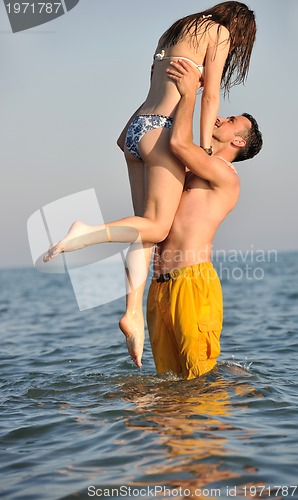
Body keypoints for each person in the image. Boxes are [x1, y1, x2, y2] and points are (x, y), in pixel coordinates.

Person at [43, 2, 257, 367]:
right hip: (160, 131)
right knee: (156, 226)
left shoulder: (175, 31)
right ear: (238, 28)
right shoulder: (218, 33)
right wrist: (204, 146)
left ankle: (132, 314)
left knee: (146, 230)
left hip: (135, 129)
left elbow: (153, 85)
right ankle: (85, 232)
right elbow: (211, 96)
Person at [147, 59, 263, 379]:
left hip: (193, 282)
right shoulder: (194, 168)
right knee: (169, 384)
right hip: (160, 285)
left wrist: (189, 94)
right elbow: (168, 142)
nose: (221, 118)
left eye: (231, 120)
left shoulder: (226, 176)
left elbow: (179, 143)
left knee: (200, 381)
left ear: (238, 141)